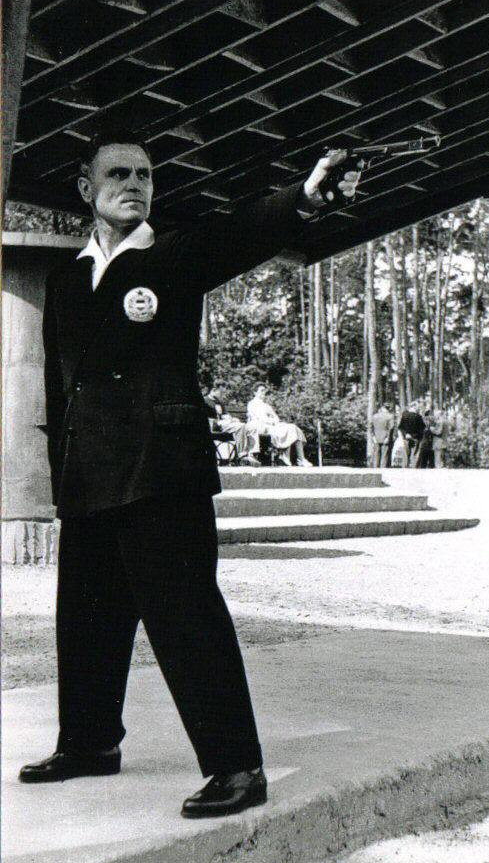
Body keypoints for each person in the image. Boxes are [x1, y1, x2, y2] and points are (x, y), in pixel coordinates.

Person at [19, 129, 361, 817]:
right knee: (85, 617)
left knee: (186, 618)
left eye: (144, 175)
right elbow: (59, 389)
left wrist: (304, 196)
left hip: (161, 472)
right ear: (86, 189)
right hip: (89, 476)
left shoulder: (173, 256)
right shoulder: (66, 280)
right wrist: (62, 479)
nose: (134, 184)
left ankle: (237, 767)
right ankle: (89, 742)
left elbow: (240, 234)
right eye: (118, 173)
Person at [247, 385, 312, 467]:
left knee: (293, 428)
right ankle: (285, 456)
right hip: (261, 426)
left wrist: (273, 421)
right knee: (287, 430)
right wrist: (272, 420)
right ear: (255, 392)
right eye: (261, 390)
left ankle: (301, 459)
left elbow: (276, 417)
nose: (264, 393)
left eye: (264, 391)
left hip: (272, 425)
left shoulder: (266, 405)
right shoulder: (252, 404)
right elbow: (260, 418)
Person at [204, 385, 261, 467]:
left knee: (251, 428)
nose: (222, 394)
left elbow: (225, 414)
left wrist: (232, 418)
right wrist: (218, 421)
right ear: (213, 390)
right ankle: (242, 455)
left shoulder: (219, 402)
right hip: (215, 426)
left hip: (224, 424)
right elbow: (204, 418)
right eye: (221, 392)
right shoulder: (205, 401)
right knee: (240, 426)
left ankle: (252, 454)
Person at [397, 401, 426, 467]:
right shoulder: (418, 416)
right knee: (414, 454)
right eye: (417, 407)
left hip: (406, 438)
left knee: (406, 453)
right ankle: (413, 467)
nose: (418, 408)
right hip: (415, 438)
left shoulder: (404, 415)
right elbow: (422, 428)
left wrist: (405, 434)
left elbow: (400, 427)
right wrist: (416, 436)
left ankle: (405, 466)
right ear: (414, 407)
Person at [370, 404, 394, 468]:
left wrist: (373, 437)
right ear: (388, 409)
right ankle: (383, 469)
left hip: (376, 438)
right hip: (385, 438)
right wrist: (388, 437)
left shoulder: (374, 416)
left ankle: (375, 469)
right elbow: (391, 428)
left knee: (376, 455)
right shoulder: (390, 416)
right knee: (385, 455)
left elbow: (371, 427)